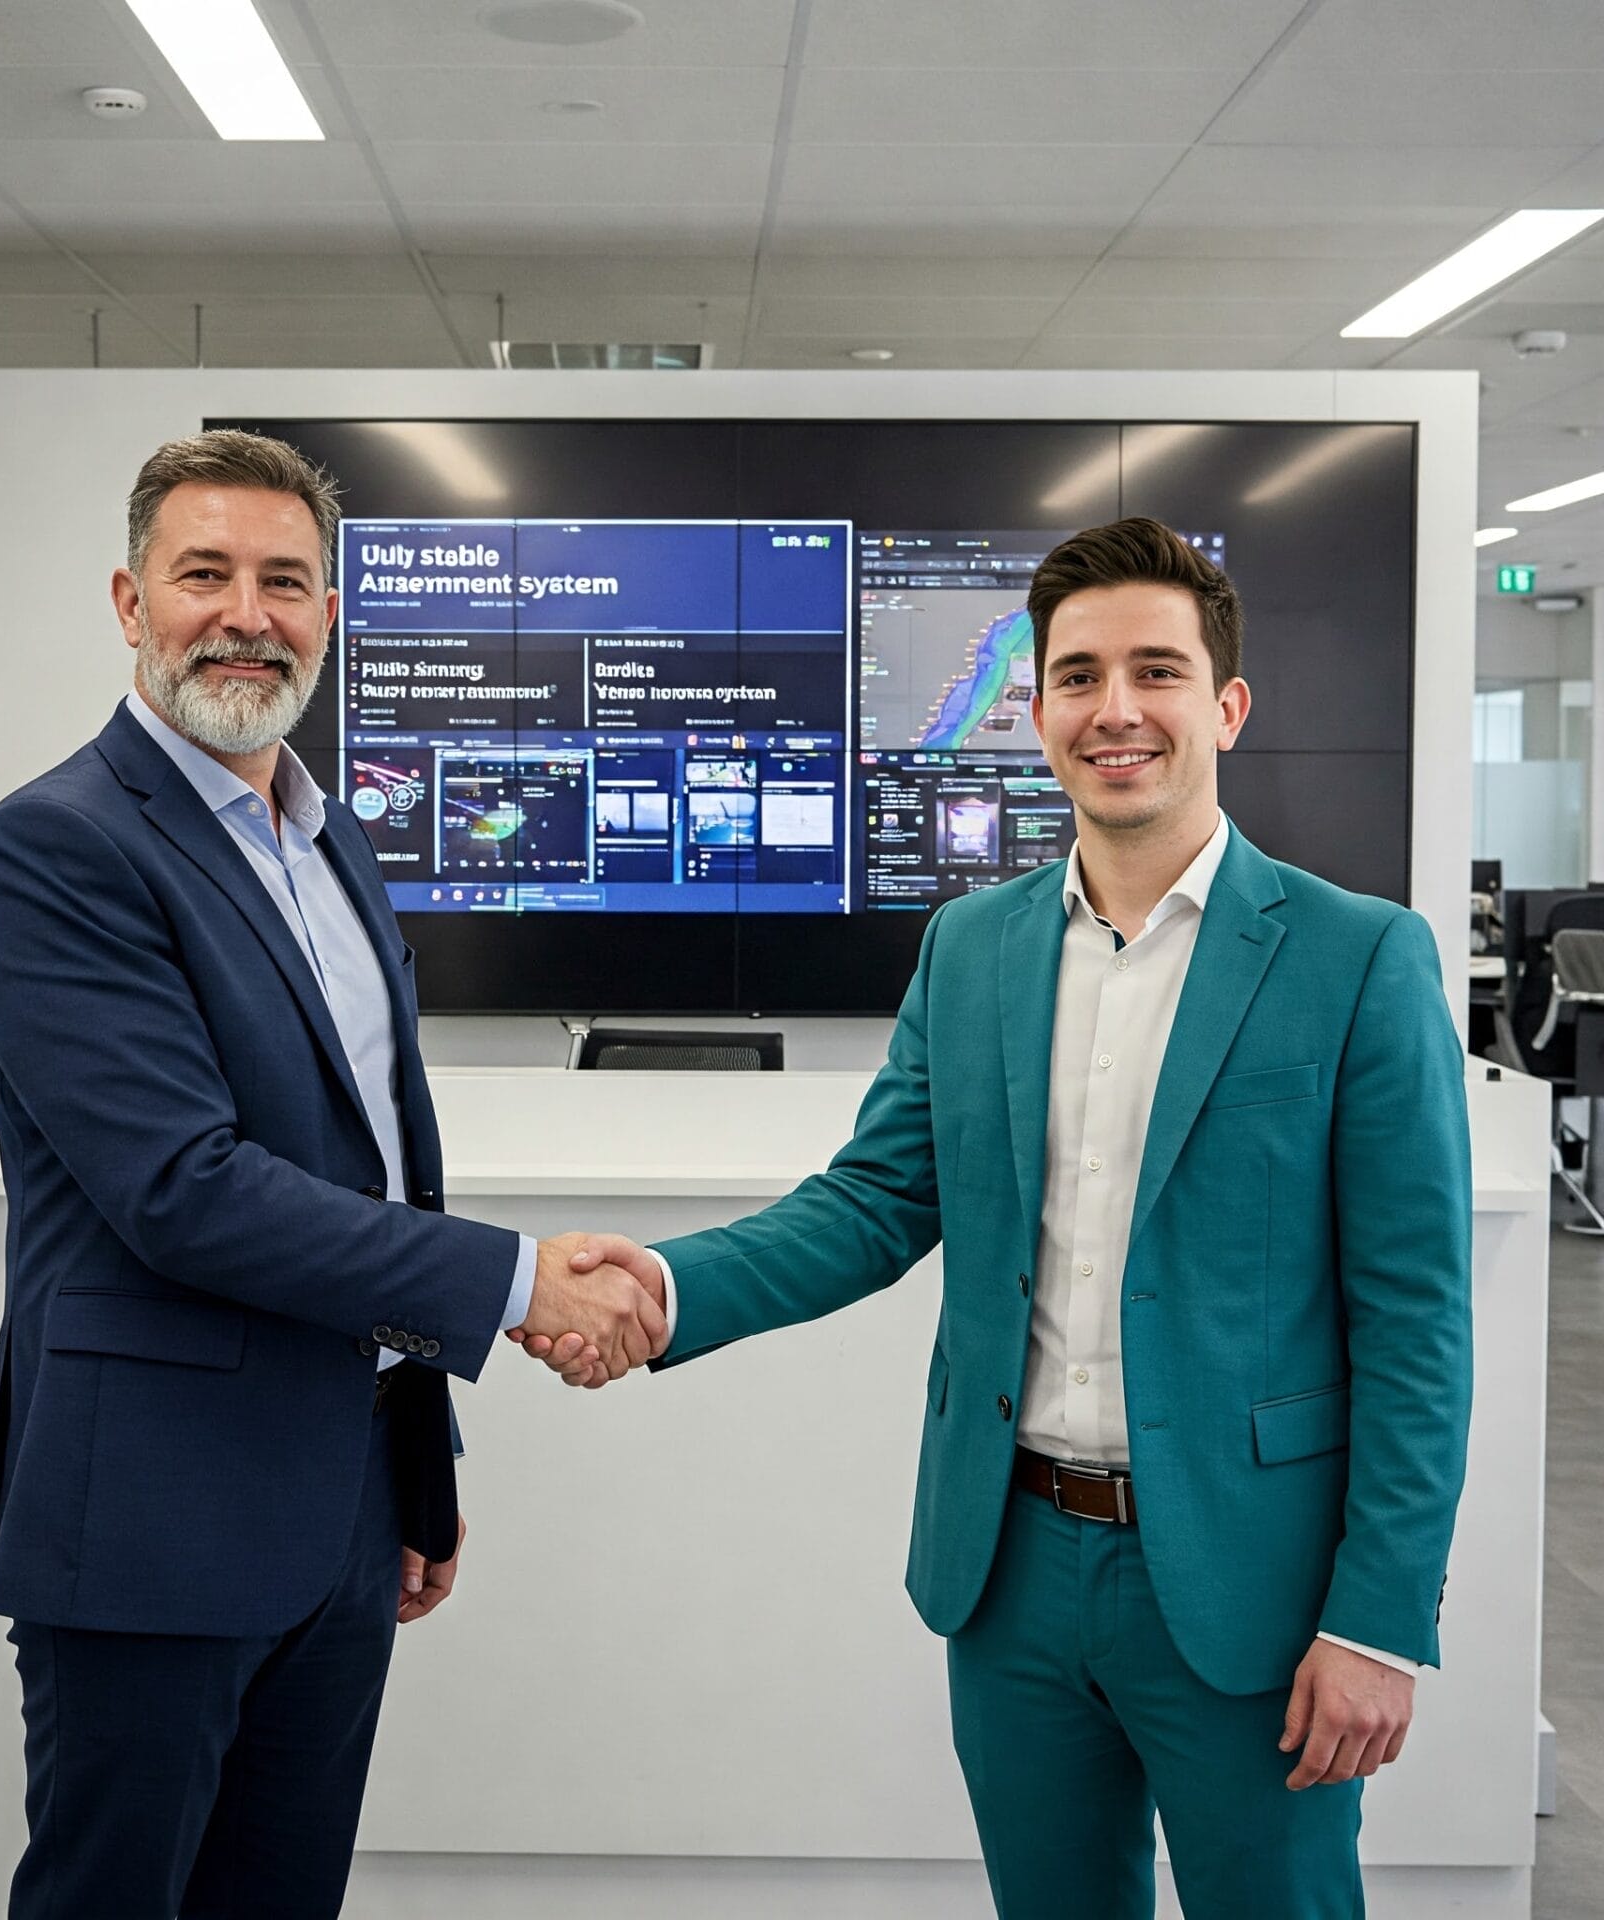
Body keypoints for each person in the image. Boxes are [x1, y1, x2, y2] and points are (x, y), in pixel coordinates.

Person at [523, 517, 1472, 1919]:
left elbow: (1416, 1322)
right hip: (1014, 1566)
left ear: (1226, 704)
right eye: (1078, 676)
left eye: (1157, 670)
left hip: (1248, 1584)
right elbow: (875, 1201)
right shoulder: (971, 947)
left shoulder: (1358, 957)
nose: (1117, 709)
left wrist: (1380, 1616)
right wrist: (667, 1287)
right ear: (1035, 715)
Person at [0, 428, 664, 1920]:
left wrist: (418, 1455)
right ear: (128, 600)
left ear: (331, 616)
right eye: (203, 573)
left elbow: (378, 1171)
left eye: (287, 581)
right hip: (153, 1521)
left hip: (339, 1511)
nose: (248, 613)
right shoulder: (58, 846)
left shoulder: (333, 844)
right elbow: (185, 1188)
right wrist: (524, 1281)